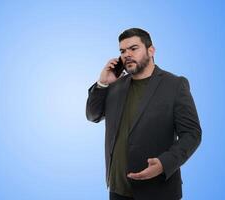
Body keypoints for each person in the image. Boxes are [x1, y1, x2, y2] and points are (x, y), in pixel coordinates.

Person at [85, 28, 201, 200]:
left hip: (158, 190)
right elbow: (93, 115)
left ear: (151, 50)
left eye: (133, 48)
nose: (127, 55)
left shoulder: (175, 85)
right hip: (117, 190)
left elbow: (192, 134)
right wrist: (103, 83)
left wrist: (164, 164)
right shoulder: (115, 85)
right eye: (122, 51)